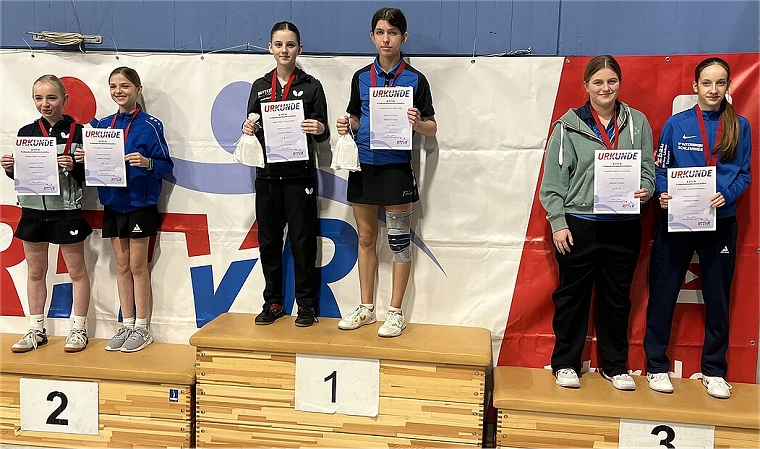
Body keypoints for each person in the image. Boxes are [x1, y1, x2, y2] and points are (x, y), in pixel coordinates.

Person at [539, 55, 655, 390]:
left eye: (612, 81)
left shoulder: (637, 122)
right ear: (586, 86)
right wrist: (558, 222)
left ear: (620, 83)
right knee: (572, 298)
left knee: (617, 299)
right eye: (598, 82)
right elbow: (553, 183)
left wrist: (645, 189)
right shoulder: (567, 127)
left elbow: (648, 169)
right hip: (579, 224)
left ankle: (614, 366)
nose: (606, 88)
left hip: (623, 224)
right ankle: (565, 363)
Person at [644, 57, 752, 399]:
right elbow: (661, 169)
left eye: (720, 83)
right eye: (706, 83)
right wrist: (663, 193)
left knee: (718, 297)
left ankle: (714, 370)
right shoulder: (676, 125)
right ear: (695, 86)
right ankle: (656, 366)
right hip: (678, 219)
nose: (713, 89)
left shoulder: (741, 126)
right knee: (663, 292)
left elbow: (745, 174)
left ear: (728, 86)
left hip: (721, 221)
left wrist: (727, 195)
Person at [335, 7, 437, 338]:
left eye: (392, 33)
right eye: (380, 32)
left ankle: (395, 312)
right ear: (372, 37)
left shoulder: (416, 79)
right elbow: (356, 117)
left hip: (396, 168)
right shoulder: (361, 77)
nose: (386, 39)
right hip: (364, 166)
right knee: (366, 238)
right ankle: (366, 308)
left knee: (398, 240)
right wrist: (347, 124)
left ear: (403, 37)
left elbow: (432, 127)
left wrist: (417, 124)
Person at [74, 66, 173, 352]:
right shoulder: (102, 126)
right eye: (114, 86)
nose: (119, 91)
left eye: (125, 86)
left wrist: (147, 163)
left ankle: (143, 327)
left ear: (138, 90)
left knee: (138, 266)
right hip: (113, 204)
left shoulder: (151, 125)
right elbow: (95, 165)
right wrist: (84, 157)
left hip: (140, 204)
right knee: (121, 265)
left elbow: (166, 165)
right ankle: (127, 323)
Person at [242, 21, 329, 328]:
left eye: (290, 45)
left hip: (299, 176)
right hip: (267, 177)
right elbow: (251, 123)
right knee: (268, 242)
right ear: (270, 48)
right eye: (279, 45)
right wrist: (247, 127)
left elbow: (323, 133)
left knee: (303, 242)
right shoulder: (260, 86)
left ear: (299, 49)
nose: (284, 50)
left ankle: (306, 305)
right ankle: (274, 302)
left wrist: (319, 127)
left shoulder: (312, 85)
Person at [2, 75, 93, 353]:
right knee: (35, 272)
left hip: (66, 212)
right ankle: (36, 329)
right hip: (32, 211)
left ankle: (79, 329)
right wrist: (10, 169)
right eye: (39, 98)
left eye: (52, 97)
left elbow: (94, 175)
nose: (45, 103)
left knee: (76, 272)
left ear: (65, 100)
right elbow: (25, 175)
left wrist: (76, 166)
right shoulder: (26, 132)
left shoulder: (80, 132)